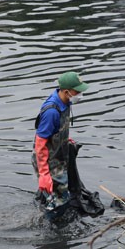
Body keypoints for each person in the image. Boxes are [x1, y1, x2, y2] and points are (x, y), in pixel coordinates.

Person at [32, 71, 89, 219]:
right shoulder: (51, 112)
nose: (80, 94)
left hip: (59, 153)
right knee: (61, 200)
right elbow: (40, 144)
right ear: (66, 91)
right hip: (48, 160)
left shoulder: (66, 102)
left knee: (59, 194)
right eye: (78, 91)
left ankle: (49, 209)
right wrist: (44, 174)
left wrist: (65, 139)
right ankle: (47, 225)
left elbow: (57, 129)